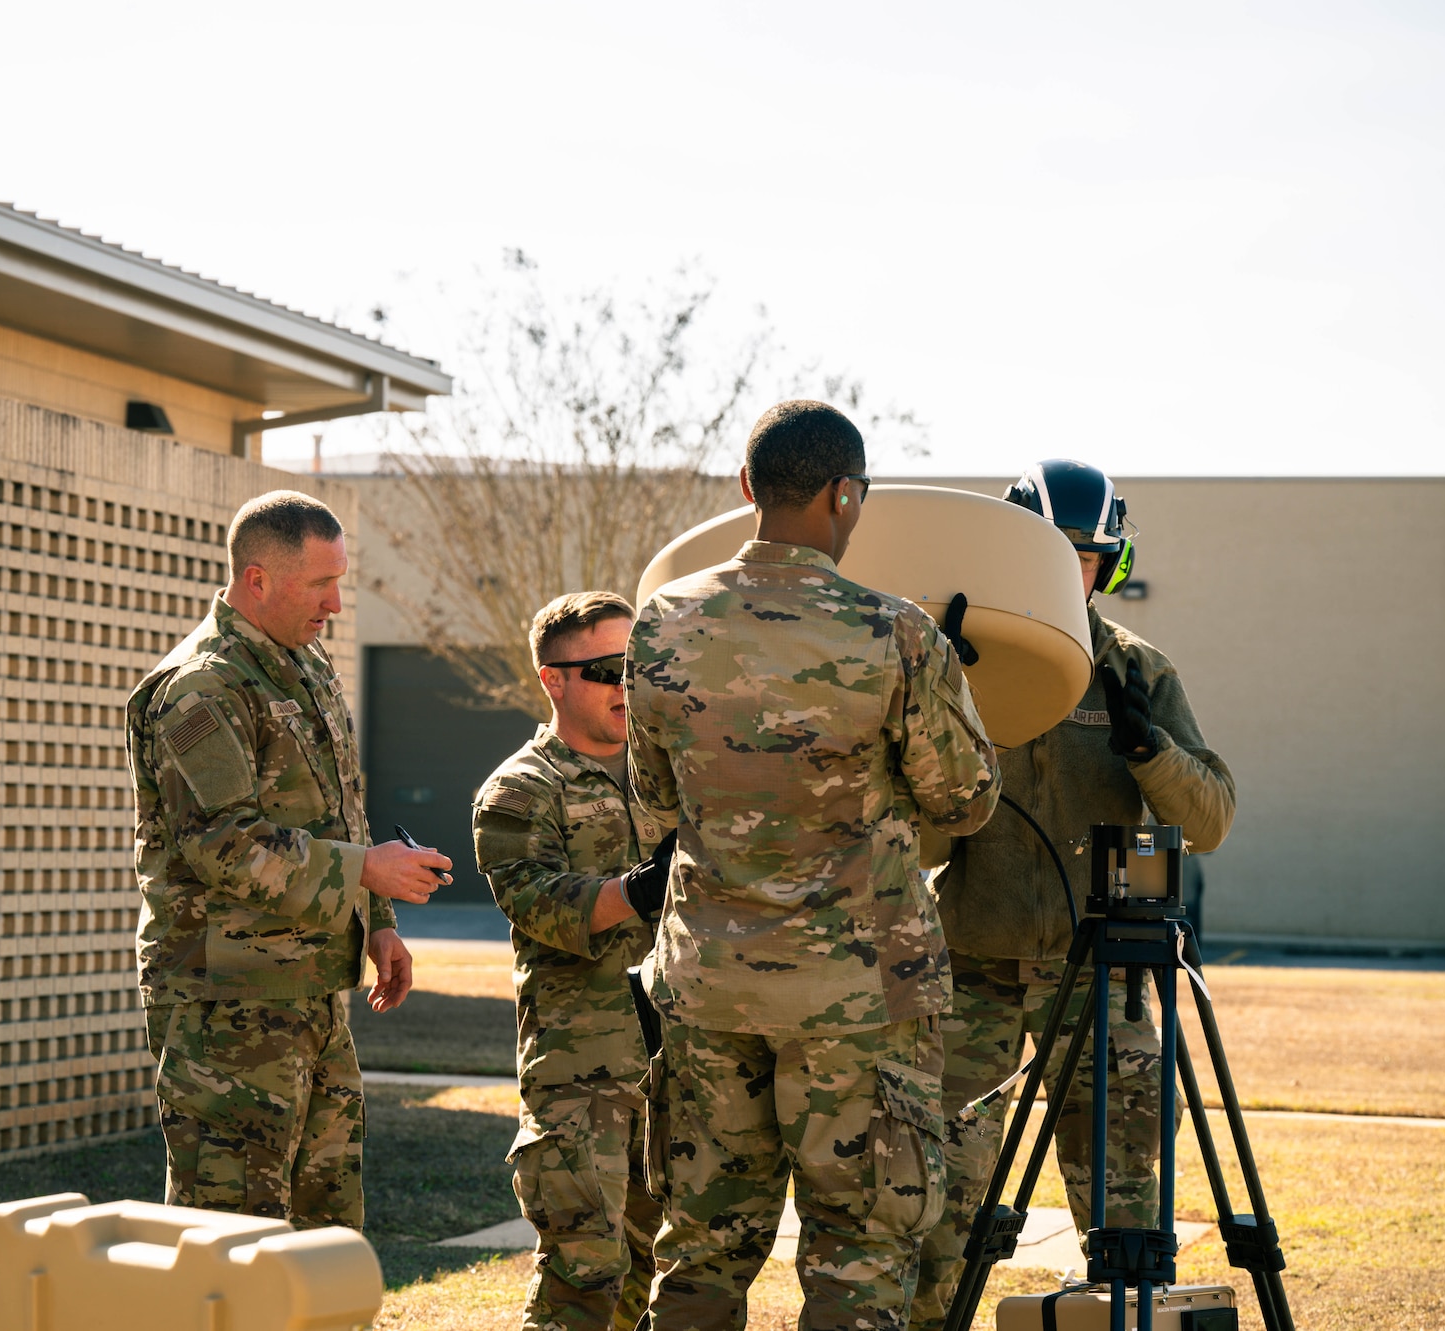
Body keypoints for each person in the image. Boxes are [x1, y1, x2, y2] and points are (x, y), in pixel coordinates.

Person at [624, 400, 1003, 1331]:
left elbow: (655, 798)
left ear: (749, 488)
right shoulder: (897, 633)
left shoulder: (662, 622)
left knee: (702, 1250)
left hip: (709, 988)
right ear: (845, 496)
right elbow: (966, 800)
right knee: (860, 1252)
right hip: (859, 1000)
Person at [907, 460, 1237, 1328]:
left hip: (1104, 977)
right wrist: (949, 709)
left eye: (1087, 554)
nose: (1072, 567)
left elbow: (1210, 821)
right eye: (1053, 550)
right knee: (940, 1206)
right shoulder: (958, 659)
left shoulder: (1138, 668)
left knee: (1130, 1209)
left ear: (1112, 561)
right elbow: (921, 837)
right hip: (970, 969)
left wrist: (1149, 749)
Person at [126, 489, 452, 1225]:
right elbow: (222, 842)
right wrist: (364, 870)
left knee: (324, 1233)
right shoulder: (202, 687)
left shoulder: (302, 666)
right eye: (321, 583)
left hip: (308, 991)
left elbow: (340, 806)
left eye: (340, 581)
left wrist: (378, 921)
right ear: (258, 580)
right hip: (226, 1008)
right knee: (232, 1236)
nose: (335, 603)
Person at [473, 591, 673, 1331]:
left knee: (657, 1278)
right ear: (553, 678)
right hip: (581, 1076)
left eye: (638, 666)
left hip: (672, 1065)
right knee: (583, 1281)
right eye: (606, 669)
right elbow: (542, 905)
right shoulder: (520, 790)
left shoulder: (665, 774)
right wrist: (642, 888)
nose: (628, 684)